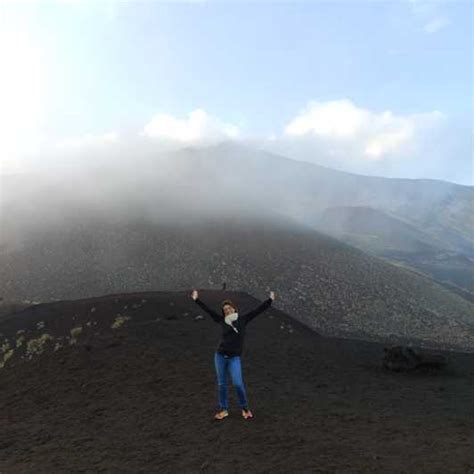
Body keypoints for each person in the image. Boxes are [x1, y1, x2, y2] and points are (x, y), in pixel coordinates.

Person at [191, 288, 275, 421]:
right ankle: (223, 410)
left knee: (237, 383)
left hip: (234, 358)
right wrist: (196, 300)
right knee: (222, 384)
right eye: (225, 310)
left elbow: (258, 310)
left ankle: (245, 409)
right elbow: (208, 311)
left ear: (234, 309)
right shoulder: (221, 321)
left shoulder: (243, 319)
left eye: (229, 308)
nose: (227, 311)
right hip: (220, 356)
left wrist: (270, 300)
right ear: (223, 313)